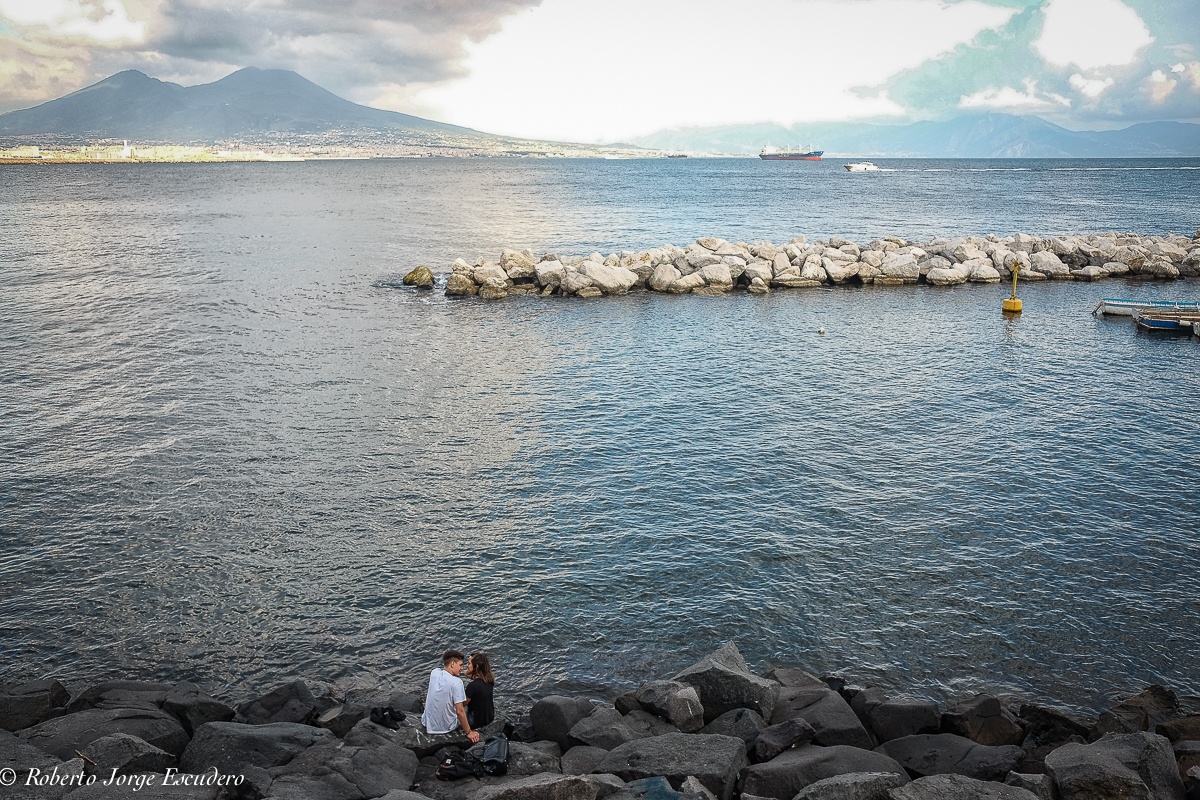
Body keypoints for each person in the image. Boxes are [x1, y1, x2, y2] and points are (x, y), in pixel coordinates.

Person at [421, 650, 479, 743]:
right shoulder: (457, 682)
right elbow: (460, 711)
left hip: (427, 723)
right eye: (460, 665)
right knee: (465, 705)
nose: (462, 668)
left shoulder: (434, 673)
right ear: (452, 664)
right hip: (446, 727)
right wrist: (469, 732)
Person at [463, 651, 495, 728]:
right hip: (489, 718)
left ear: (476, 666)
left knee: (458, 705)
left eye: (469, 663)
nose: (466, 665)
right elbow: (469, 675)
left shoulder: (473, 686)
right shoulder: (489, 680)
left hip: (475, 722)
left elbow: (462, 705)